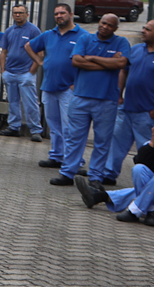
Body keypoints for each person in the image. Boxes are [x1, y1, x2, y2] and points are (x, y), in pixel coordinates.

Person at [77, 113, 154, 225]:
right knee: (138, 169)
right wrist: (152, 144)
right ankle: (152, 211)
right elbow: (140, 162)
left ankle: (133, 211)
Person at [52, 14, 131, 188]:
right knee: (74, 138)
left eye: (110, 25)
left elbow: (121, 64)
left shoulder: (122, 42)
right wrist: (108, 62)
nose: (105, 27)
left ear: (115, 28)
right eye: (103, 23)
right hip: (80, 97)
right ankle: (67, 173)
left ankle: (95, 176)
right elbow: (76, 61)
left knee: (102, 140)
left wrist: (91, 58)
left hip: (107, 100)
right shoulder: (85, 38)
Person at [103, 17, 154, 177]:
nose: (143, 31)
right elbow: (123, 71)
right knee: (116, 142)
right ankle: (108, 174)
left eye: (147, 29)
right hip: (126, 109)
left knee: (148, 147)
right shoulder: (136, 49)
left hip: (148, 113)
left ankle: (148, 177)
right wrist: (119, 96)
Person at [28, 3, 86, 171]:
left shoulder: (82, 35)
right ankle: (56, 156)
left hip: (69, 88)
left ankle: (74, 162)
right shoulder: (48, 35)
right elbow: (28, 46)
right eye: (56, 13)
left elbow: (87, 60)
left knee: (71, 128)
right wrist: (39, 61)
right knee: (54, 126)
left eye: (62, 13)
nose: (59, 16)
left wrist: (78, 82)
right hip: (49, 86)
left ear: (71, 14)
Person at [0, 3, 44, 141]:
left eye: (21, 13)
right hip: (10, 73)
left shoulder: (34, 31)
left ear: (27, 14)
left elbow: (40, 54)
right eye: (15, 12)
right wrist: (3, 71)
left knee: (30, 103)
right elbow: (3, 52)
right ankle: (14, 127)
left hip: (25, 74)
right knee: (13, 102)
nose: (18, 15)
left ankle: (35, 130)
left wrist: (31, 72)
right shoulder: (9, 31)